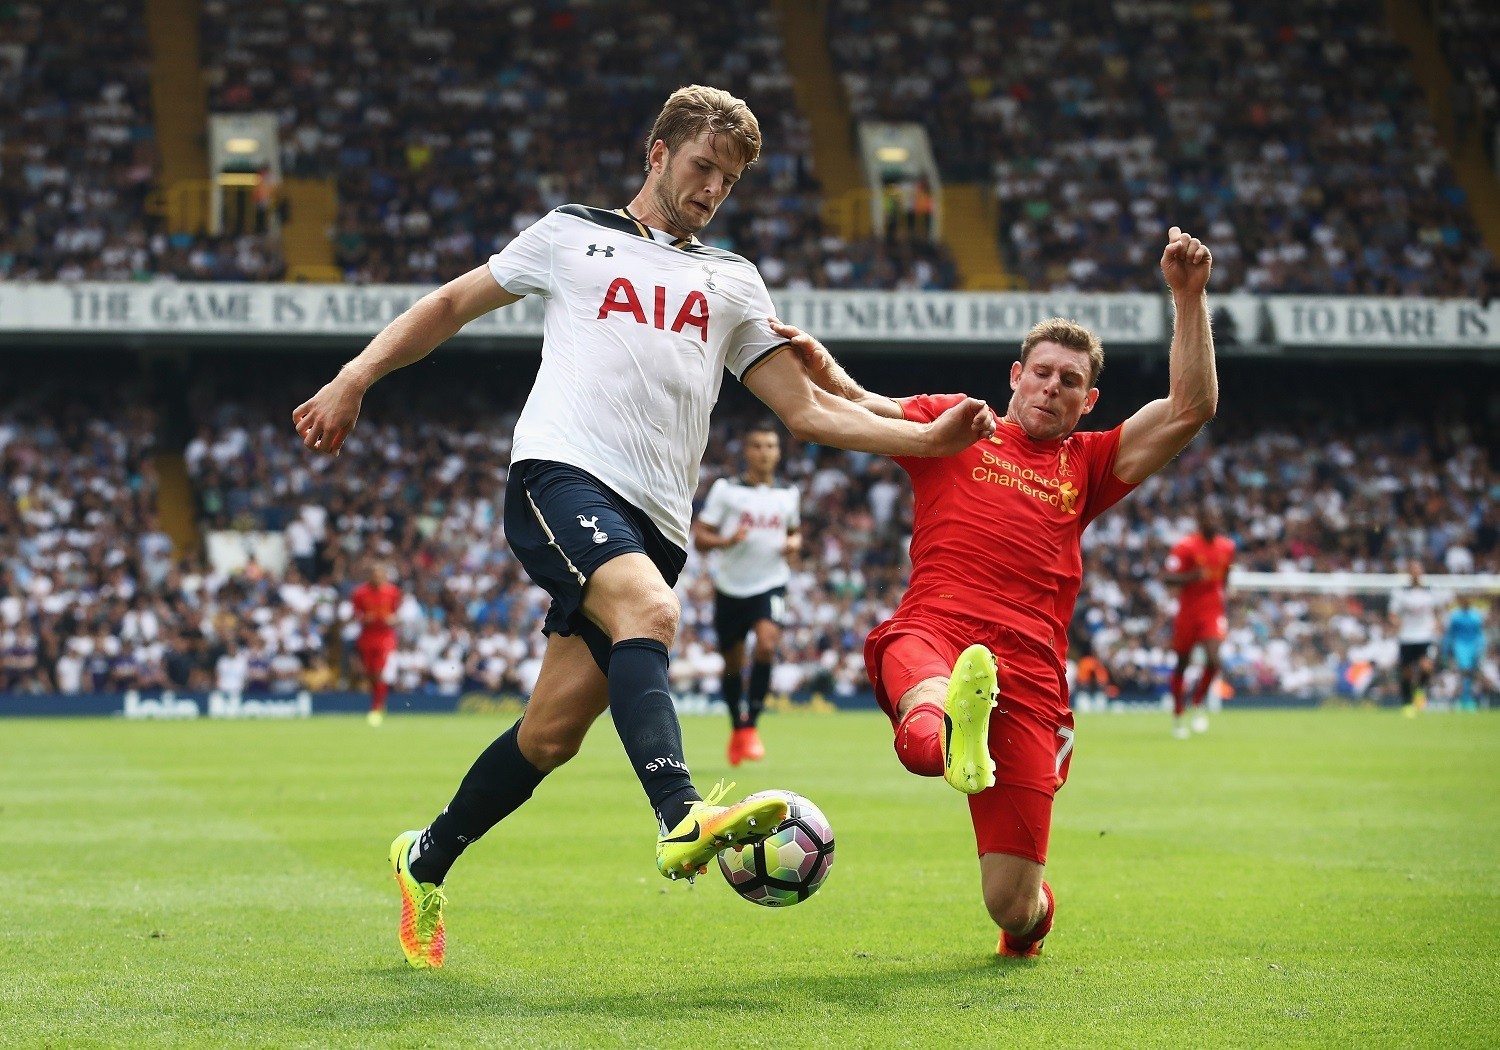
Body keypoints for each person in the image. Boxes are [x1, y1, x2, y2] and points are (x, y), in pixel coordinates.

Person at [291, 84, 996, 969]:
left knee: (548, 735)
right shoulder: (569, 234)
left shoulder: (732, 279)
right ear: (656, 152)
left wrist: (922, 436)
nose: (712, 189)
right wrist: (355, 376)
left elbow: (807, 412)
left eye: (729, 180)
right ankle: (679, 816)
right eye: (703, 166)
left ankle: (424, 858)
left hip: (659, 521)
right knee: (651, 616)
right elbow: (448, 306)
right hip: (560, 476)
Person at [771, 225, 1216, 958]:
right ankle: (950, 724)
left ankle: (1030, 923)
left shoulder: (1091, 463)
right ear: (1016, 375)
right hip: (937, 632)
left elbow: (1191, 407)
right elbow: (869, 406)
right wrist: (827, 370)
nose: (1052, 387)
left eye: (1070, 381)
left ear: (1089, 398)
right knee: (922, 738)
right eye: (1042, 372)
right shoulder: (960, 423)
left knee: (1010, 905)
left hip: (1031, 673)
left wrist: (1188, 296)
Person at [692, 420, 801, 766]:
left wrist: (794, 543)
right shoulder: (727, 490)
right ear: (746, 451)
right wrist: (727, 540)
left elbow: (795, 533)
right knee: (733, 664)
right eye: (757, 446)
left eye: (771, 446)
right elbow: (701, 537)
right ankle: (737, 729)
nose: (764, 453)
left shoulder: (788, 494)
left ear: (779, 452)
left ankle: (751, 727)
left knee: (767, 644)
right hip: (731, 587)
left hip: (771, 582)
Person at [1161, 509, 1236, 738]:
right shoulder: (1185, 547)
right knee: (1182, 663)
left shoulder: (1227, 547)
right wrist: (1192, 576)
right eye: (1210, 518)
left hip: (1212, 610)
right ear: (1201, 521)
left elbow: (1225, 575)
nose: (1214, 522)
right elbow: (1166, 577)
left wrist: (1227, 593)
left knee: (1214, 660)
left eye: (1217, 518)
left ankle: (1197, 703)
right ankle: (1178, 714)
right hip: (1188, 613)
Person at [350, 562, 401, 727]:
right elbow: (355, 615)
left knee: (379, 671)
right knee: (370, 673)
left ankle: (377, 707)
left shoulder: (393, 592)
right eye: (374, 575)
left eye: (380, 575)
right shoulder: (359, 593)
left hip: (385, 637)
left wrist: (393, 620)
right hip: (367, 637)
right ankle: (378, 701)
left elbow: (397, 615)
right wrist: (365, 619)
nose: (377, 578)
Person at [1389, 561, 1440, 717]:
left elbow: (1438, 611)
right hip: (1407, 637)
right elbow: (1392, 614)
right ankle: (1407, 702)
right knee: (1407, 672)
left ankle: (1419, 690)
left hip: (1425, 636)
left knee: (1427, 667)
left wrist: (1437, 623)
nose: (1416, 573)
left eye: (1418, 569)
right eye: (1413, 570)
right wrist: (1396, 622)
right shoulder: (1401, 592)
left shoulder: (1430, 591)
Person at [1441, 593, 1487, 712]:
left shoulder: (1476, 615)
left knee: (1472, 672)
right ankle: (1465, 699)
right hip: (1460, 645)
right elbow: (1450, 634)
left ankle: (1470, 697)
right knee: (1464, 671)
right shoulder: (1455, 616)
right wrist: (1446, 649)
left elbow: (1479, 633)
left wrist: (1481, 646)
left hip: (1473, 645)